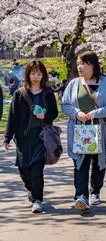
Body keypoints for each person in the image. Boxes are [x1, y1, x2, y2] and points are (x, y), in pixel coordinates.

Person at [61, 51, 106, 212]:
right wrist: (76, 113)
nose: (79, 66)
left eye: (83, 63)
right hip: (78, 130)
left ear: (93, 65)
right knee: (80, 162)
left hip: (99, 129)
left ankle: (95, 191)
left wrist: (98, 112)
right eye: (78, 63)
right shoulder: (74, 84)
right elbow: (65, 104)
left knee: (98, 162)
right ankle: (81, 196)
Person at [3, 60, 59, 213]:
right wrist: (7, 137)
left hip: (40, 137)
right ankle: (31, 189)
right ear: (28, 74)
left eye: (39, 73)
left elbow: (54, 113)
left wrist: (44, 116)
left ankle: (37, 200)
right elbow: (12, 117)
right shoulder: (20, 93)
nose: (36, 77)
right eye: (33, 73)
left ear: (43, 75)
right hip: (23, 139)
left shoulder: (47, 93)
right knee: (24, 171)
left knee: (37, 171)